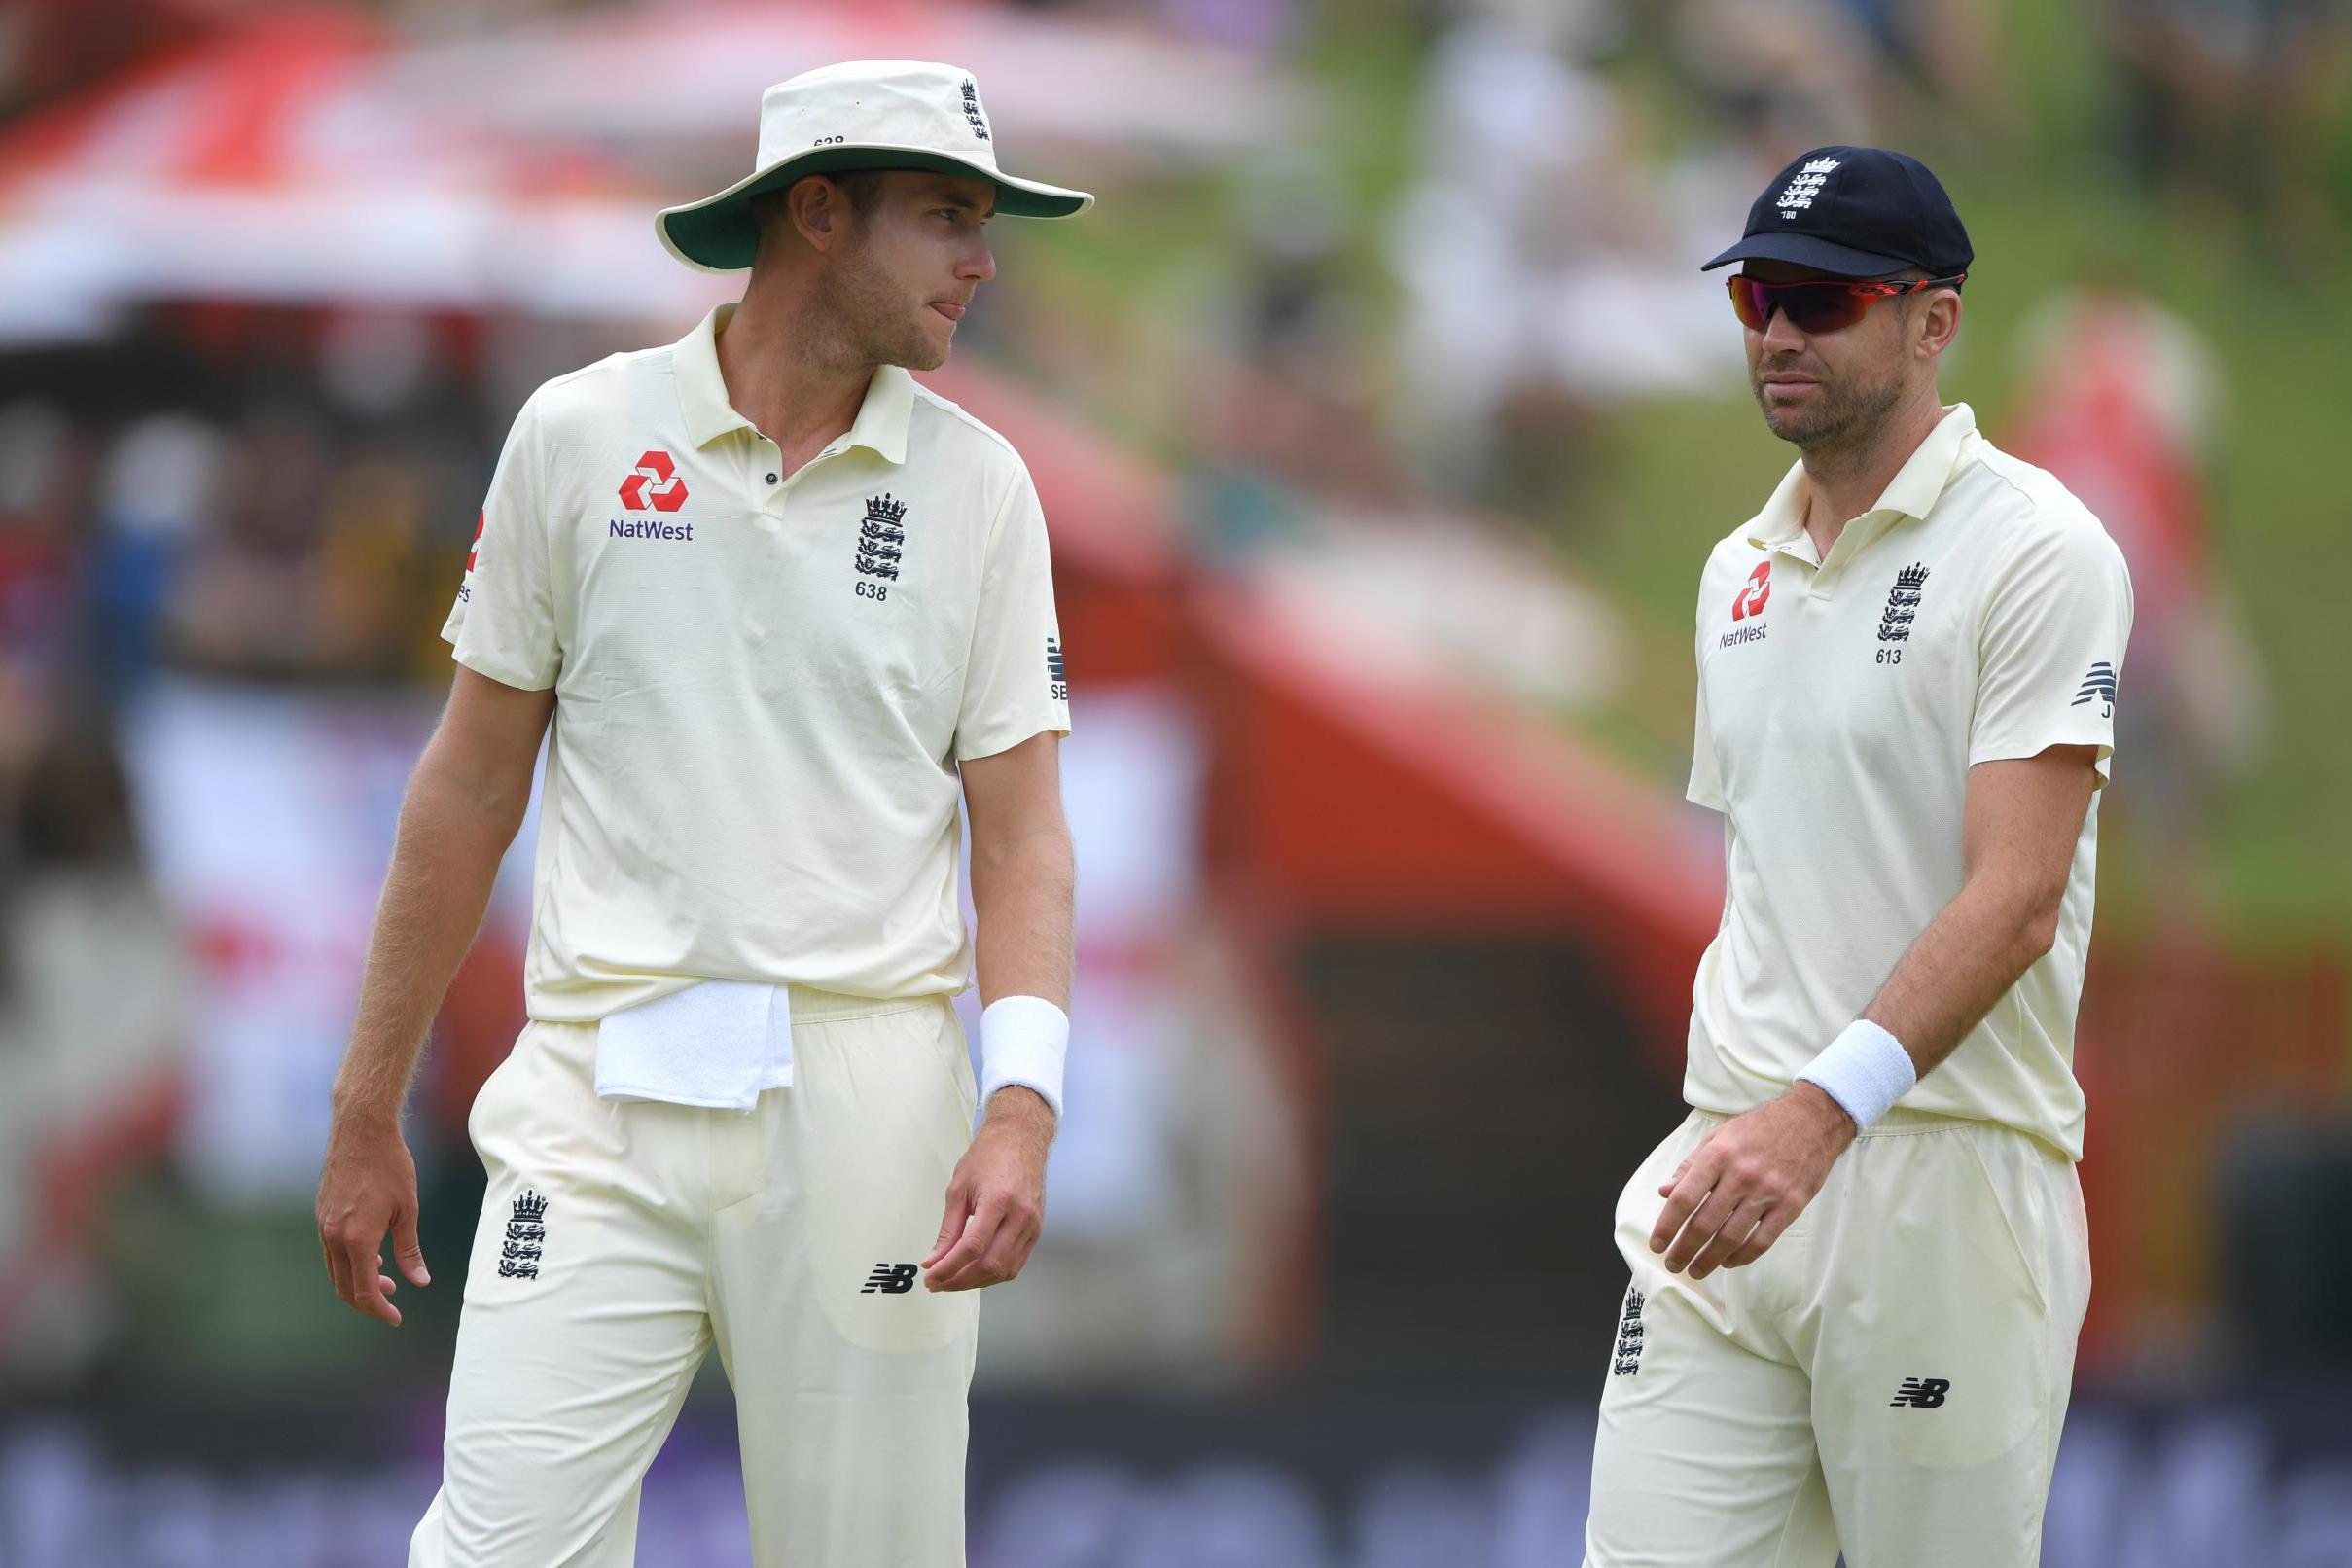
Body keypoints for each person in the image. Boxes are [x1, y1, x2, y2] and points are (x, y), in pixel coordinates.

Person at [312, 59, 1090, 1566]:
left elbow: (1023, 833)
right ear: (814, 213)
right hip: (599, 1088)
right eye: (943, 217)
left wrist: (1021, 1102)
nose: (982, 260)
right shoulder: (577, 435)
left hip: (868, 1098)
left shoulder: (985, 489)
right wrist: (364, 1105)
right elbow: (469, 787)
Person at [1583, 146, 2133, 1567]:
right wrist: (1749, 1123)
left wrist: (1817, 1115)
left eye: (1823, 303)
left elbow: (2014, 901)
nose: (1776, 332)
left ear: (1930, 322)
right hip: (1727, 1171)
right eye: (1760, 295)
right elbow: (1771, 881)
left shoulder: (2037, 550)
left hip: (1939, 1183)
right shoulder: (1733, 572)